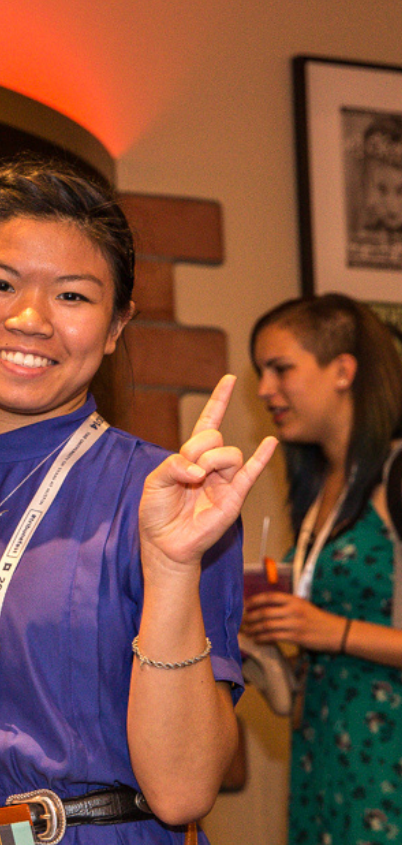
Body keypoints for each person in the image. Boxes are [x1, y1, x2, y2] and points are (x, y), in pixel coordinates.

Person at [0, 157, 275, 844]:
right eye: (0, 283)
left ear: (114, 326)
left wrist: (169, 565)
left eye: (72, 296)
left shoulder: (171, 499)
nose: (30, 318)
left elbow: (184, 789)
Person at [243, 294, 402, 845]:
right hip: (326, 771)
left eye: (280, 368)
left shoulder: (396, 475)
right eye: (261, 372)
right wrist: (264, 647)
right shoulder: (317, 494)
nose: (265, 390)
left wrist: (329, 631)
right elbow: (315, 674)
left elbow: (335, 634)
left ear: (343, 370)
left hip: (388, 772)